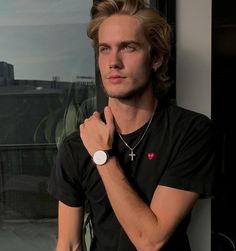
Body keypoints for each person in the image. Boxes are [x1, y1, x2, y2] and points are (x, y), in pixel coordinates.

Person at [48, 0, 217, 250]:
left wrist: (102, 155)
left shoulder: (191, 132)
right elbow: (70, 243)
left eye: (128, 47)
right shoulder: (77, 145)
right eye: (105, 49)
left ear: (156, 57)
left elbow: (150, 240)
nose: (113, 61)